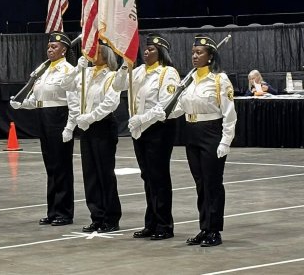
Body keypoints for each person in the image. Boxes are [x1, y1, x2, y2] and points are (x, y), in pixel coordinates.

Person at [113, 33, 180, 240]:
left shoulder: (167, 73)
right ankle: (150, 223)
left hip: (159, 128)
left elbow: (165, 105)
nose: (146, 51)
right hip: (139, 129)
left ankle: (164, 224)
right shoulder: (138, 71)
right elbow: (117, 86)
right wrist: (125, 65)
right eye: (146, 48)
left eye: (151, 49)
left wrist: (141, 120)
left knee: (159, 176)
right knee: (147, 177)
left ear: (161, 53)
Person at [171, 35, 237, 247]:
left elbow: (229, 113)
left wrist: (225, 141)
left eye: (199, 53)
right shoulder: (189, 79)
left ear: (210, 56)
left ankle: (214, 230)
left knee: (213, 183)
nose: (195, 56)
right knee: (200, 184)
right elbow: (180, 107)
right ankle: (204, 227)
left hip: (211, 132)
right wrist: (157, 114)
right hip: (191, 131)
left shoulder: (219, 79)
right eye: (193, 53)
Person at [10, 31, 79, 226]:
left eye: (54, 46)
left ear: (64, 50)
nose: (50, 49)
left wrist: (70, 127)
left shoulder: (67, 71)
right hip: (43, 118)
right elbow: (37, 100)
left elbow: (73, 103)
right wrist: (21, 104)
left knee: (62, 167)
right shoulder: (43, 69)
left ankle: (64, 212)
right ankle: (53, 210)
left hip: (59, 118)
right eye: (49, 46)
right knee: (51, 167)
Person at [61, 43, 122, 233]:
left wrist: (91, 117)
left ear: (106, 56)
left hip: (102, 125)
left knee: (105, 173)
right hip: (86, 127)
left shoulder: (112, 76)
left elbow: (110, 102)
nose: (92, 54)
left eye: (96, 51)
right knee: (90, 174)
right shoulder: (86, 74)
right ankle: (97, 216)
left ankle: (111, 217)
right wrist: (77, 68)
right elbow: (65, 85)